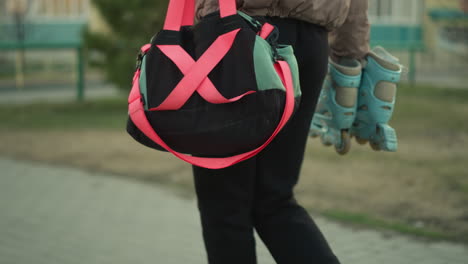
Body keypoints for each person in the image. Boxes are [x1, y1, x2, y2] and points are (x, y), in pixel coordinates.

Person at [192, 1, 370, 263]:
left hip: (234, 34)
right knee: (274, 199)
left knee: (225, 205)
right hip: (309, 41)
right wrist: (351, 52)